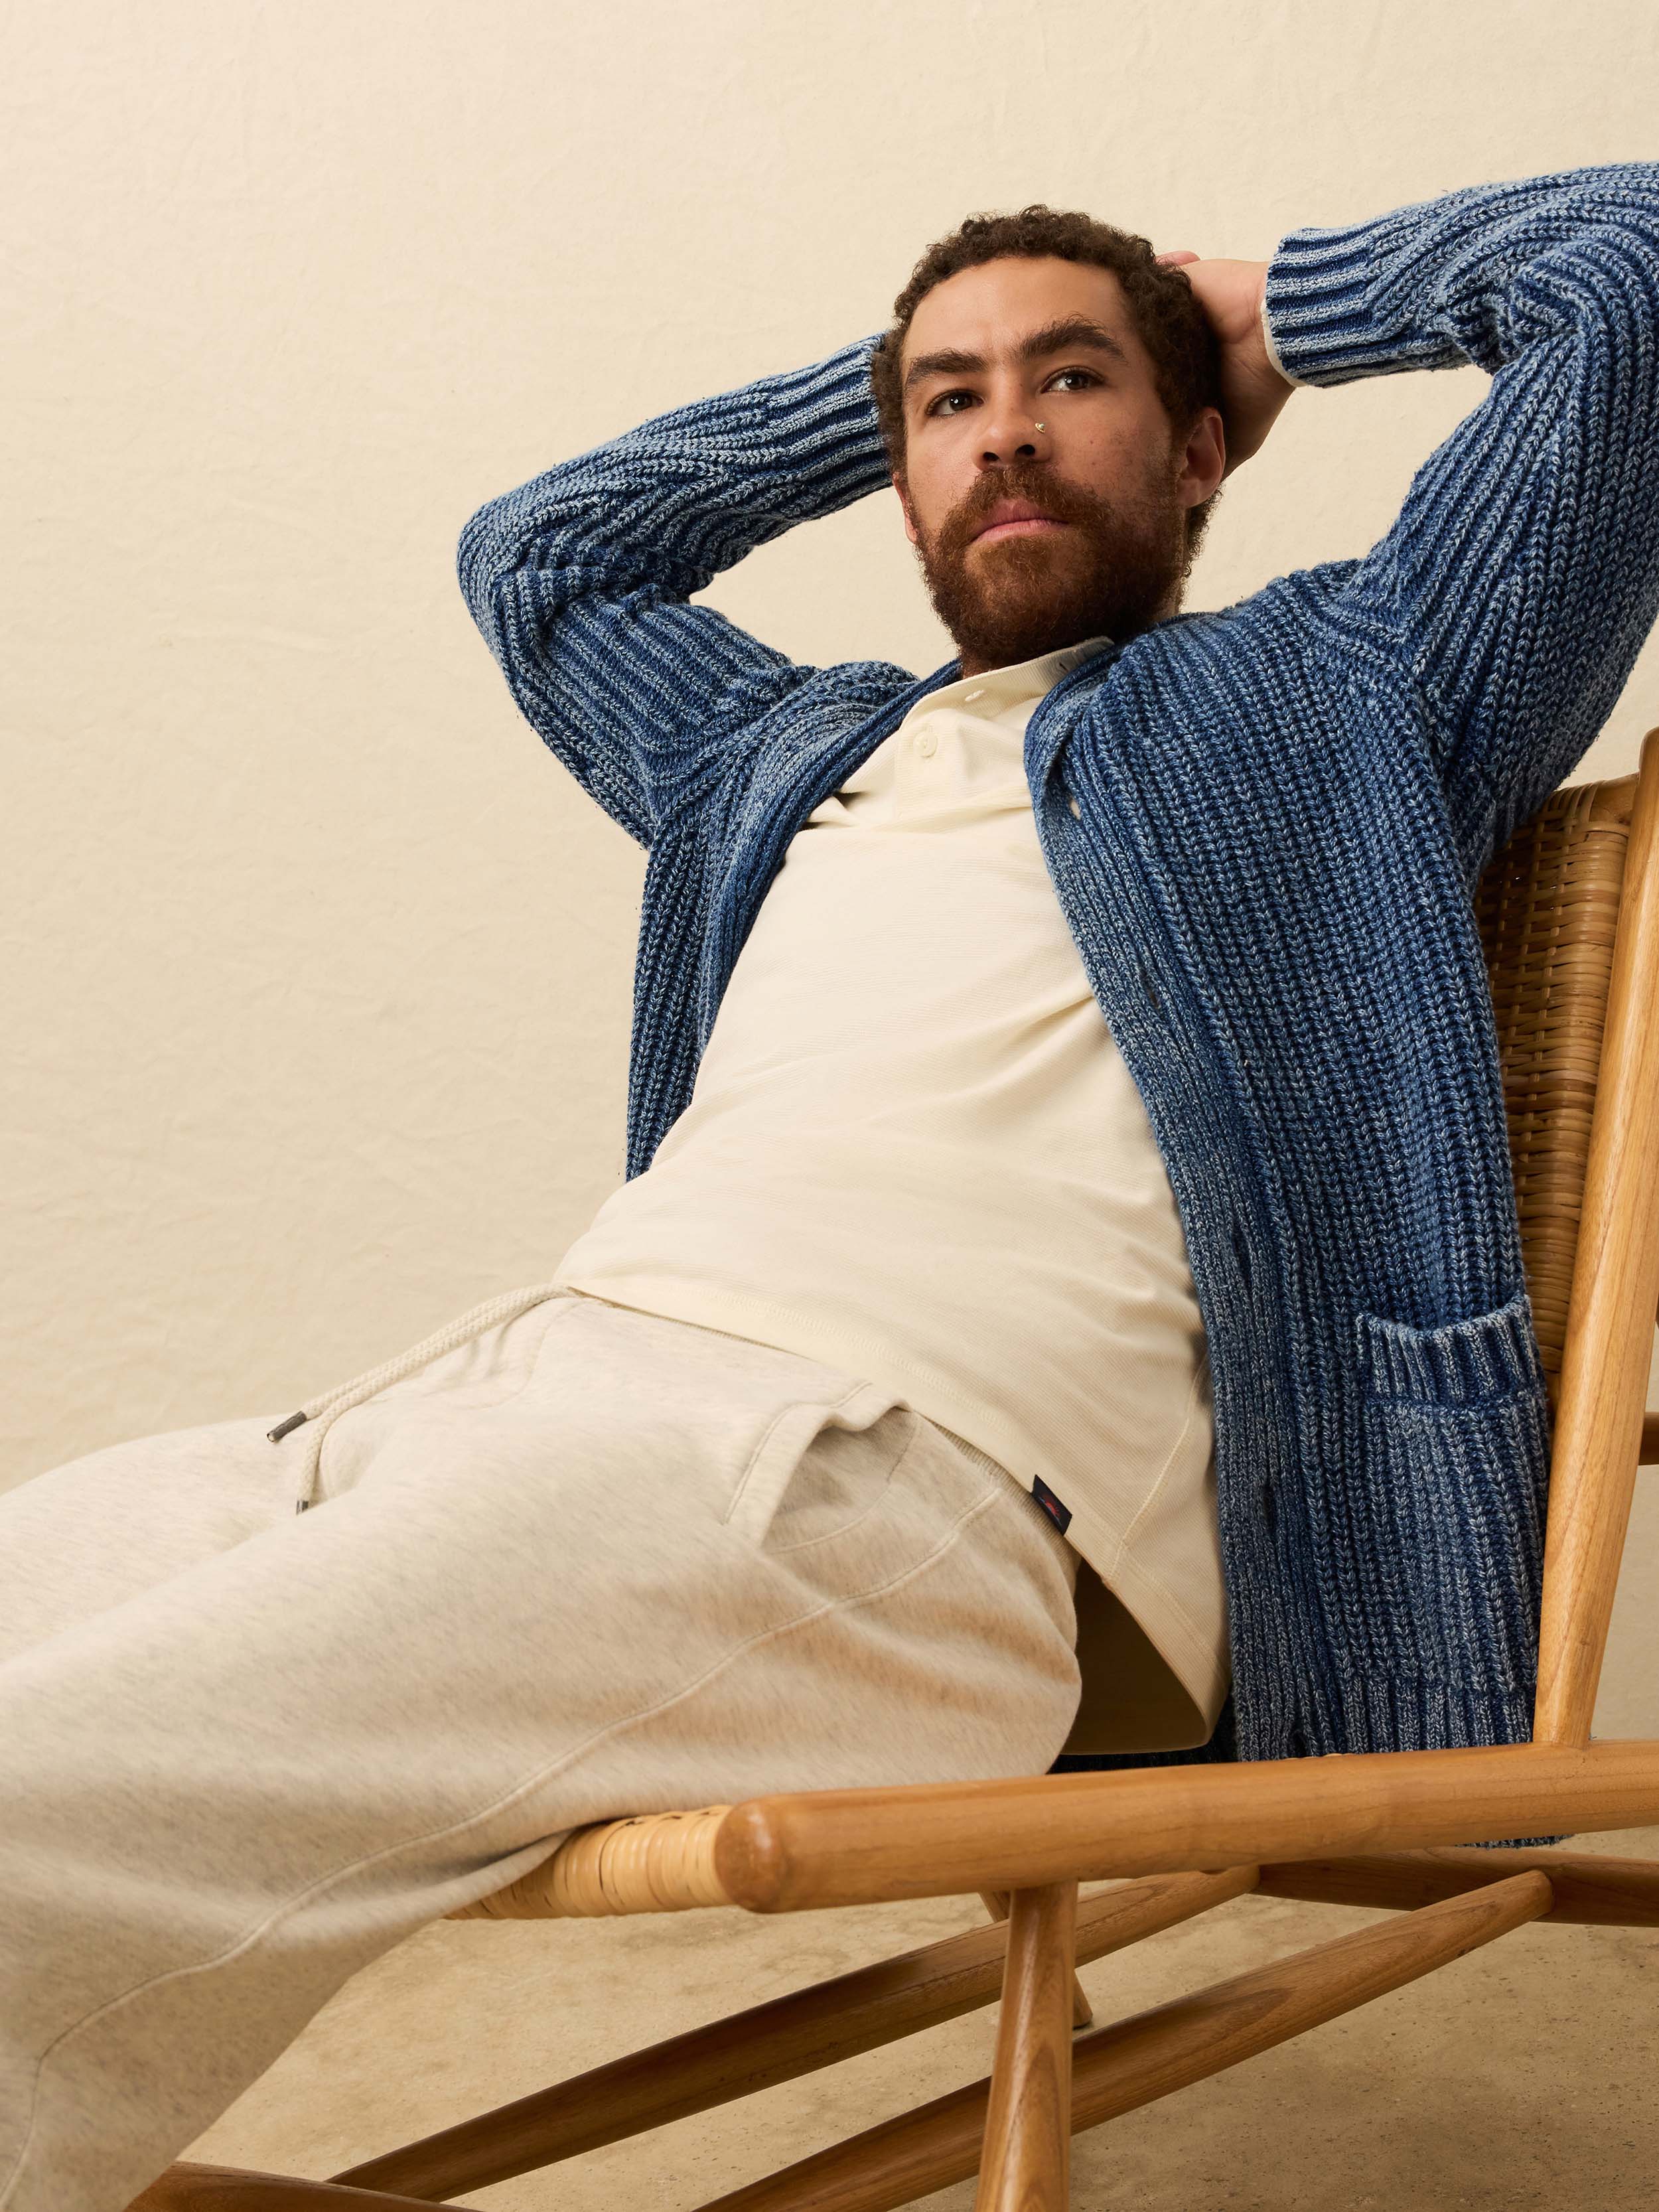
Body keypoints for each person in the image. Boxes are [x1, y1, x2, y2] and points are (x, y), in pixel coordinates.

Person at [3, 162, 1657, 2212]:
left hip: (885, 1479)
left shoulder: (1346, 696)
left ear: (1203, 446)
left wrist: (1255, 303)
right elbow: (540, 553)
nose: (1007, 432)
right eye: (949, 405)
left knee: (37, 1800)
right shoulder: (777, 757)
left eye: (1073, 383)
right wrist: (893, 378)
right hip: (487, 1400)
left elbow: (1630, 268)